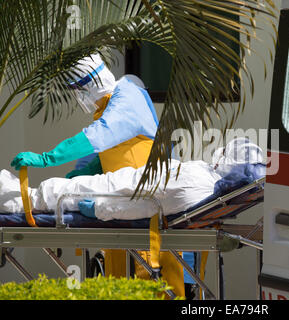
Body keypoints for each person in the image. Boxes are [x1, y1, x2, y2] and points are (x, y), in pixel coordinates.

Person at [9, 53, 186, 297]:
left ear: (92, 82)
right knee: (117, 285)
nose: (79, 97)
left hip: (147, 207)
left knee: (153, 284)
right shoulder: (110, 108)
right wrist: (78, 176)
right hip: (122, 209)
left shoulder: (127, 99)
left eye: (79, 89)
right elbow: (108, 154)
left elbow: (98, 136)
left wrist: (46, 158)